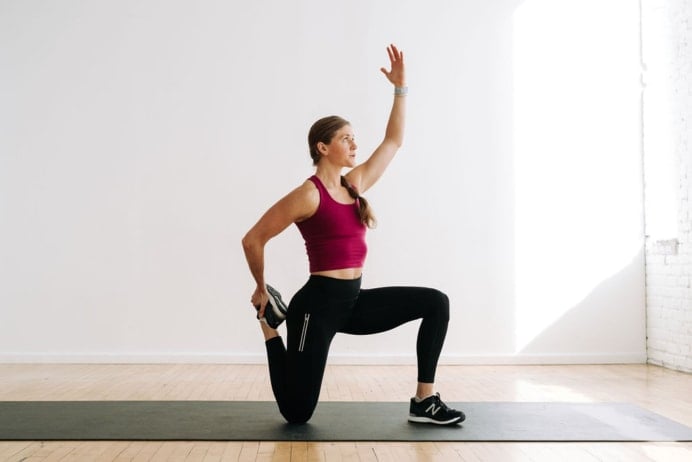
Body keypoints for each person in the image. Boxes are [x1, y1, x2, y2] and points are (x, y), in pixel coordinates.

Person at [241, 44, 464, 426]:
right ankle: (268, 324)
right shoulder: (308, 194)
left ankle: (424, 401)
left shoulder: (354, 185)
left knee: (436, 303)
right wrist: (262, 290)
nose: (354, 144)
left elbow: (393, 142)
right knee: (297, 414)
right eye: (346, 138)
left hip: (353, 301)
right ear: (322, 147)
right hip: (317, 307)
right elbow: (253, 238)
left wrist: (400, 89)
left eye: (354, 138)